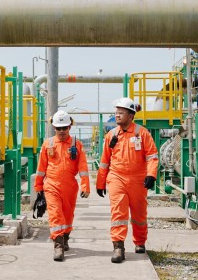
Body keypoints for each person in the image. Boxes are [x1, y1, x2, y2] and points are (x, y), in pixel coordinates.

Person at [96, 98, 159, 263]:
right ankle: (118, 247)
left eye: (121, 113)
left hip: (138, 180)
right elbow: (104, 161)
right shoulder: (111, 135)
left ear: (131, 115)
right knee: (119, 213)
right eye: (116, 112)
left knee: (139, 214)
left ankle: (140, 242)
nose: (117, 115)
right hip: (117, 177)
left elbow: (152, 156)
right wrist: (100, 183)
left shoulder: (142, 133)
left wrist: (151, 175)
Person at [34, 110, 91, 261]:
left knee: (67, 214)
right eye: (58, 128)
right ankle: (58, 244)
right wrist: (38, 187)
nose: (61, 131)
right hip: (51, 185)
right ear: (54, 128)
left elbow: (83, 167)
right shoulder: (48, 144)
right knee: (55, 214)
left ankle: (65, 237)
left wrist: (85, 186)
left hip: (70, 186)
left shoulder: (76, 145)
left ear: (69, 127)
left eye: (64, 127)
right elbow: (41, 168)